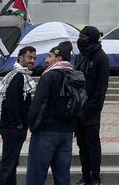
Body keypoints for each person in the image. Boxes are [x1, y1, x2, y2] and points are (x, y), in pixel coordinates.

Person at [26, 41, 76, 185]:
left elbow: (38, 103)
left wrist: (31, 124)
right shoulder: (75, 76)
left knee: (36, 176)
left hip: (46, 132)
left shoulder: (49, 76)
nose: (46, 60)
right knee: (62, 177)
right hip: (66, 132)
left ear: (58, 58)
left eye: (49, 56)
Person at [0, 45, 37, 185]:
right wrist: (18, 123)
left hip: (12, 126)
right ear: (21, 58)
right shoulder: (18, 76)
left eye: (34, 58)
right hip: (12, 127)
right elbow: (11, 102)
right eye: (29, 57)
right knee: (7, 164)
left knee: (12, 163)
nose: (32, 61)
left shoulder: (21, 75)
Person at [74, 26, 109, 185]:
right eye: (79, 36)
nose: (80, 40)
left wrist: (91, 107)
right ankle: (85, 176)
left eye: (83, 37)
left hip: (91, 110)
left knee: (92, 144)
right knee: (82, 144)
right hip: (78, 108)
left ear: (92, 39)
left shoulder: (101, 57)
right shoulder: (80, 56)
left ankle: (95, 178)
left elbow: (101, 88)